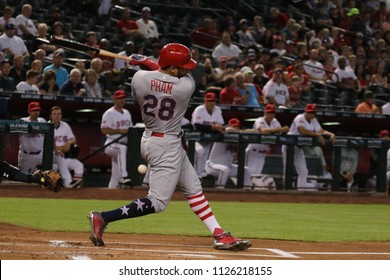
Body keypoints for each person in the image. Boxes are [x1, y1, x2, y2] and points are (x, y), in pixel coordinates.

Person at [88, 43, 251, 251]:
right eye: (182, 67)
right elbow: (166, 74)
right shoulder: (185, 87)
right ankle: (103, 217)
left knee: (194, 188)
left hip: (152, 138)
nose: (186, 70)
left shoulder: (138, 79)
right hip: (166, 145)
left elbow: (157, 74)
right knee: (157, 202)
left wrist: (144, 62)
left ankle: (219, 234)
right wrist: (147, 61)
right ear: (173, 68)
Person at [282, 103, 336, 190]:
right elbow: (302, 130)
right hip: (290, 146)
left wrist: (330, 134)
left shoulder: (313, 120)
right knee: (288, 170)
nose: (311, 114)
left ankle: (302, 190)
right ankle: (285, 190)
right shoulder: (299, 117)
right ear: (306, 112)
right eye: (309, 112)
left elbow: (321, 130)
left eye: (313, 113)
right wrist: (317, 135)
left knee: (304, 171)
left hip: (299, 148)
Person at [245, 104, 289, 187]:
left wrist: (283, 130)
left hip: (262, 154)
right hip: (253, 152)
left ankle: (251, 195)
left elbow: (280, 132)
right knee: (248, 175)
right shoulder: (259, 120)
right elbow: (263, 130)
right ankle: (243, 194)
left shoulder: (275, 121)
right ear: (265, 112)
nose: (271, 115)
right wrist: (280, 129)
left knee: (257, 176)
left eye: (272, 113)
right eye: (269, 113)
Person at [205, 118, 252, 189]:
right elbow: (228, 130)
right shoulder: (222, 132)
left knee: (246, 170)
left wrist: (241, 132)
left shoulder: (238, 137)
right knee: (224, 170)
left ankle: (243, 193)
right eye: (234, 126)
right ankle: (219, 192)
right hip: (212, 165)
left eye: (237, 126)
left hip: (228, 166)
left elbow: (254, 131)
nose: (236, 128)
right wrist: (238, 132)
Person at [100, 90, 133, 189]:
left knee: (115, 173)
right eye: (119, 98)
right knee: (121, 149)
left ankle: (111, 192)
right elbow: (104, 130)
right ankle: (124, 177)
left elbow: (130, 129)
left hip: (123, 143)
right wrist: (120, 130)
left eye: (123, 98)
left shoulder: (127, 112)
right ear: (115, 99)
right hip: (111, 143)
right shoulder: (109, 113)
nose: (122, 100)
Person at [191, 92, 225, 178]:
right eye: (209, 101)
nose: (211, 103)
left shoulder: (217, 110)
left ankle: (199, 177)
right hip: (194, 138)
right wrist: (214, 127)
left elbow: (221, 126)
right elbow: (197, 126)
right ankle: (195, 177)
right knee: (200, 152)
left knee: (204, 158)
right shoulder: (199, 109)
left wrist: (217, 128)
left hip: (207, 140)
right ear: (205, 101)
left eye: (213, 101)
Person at [49, 106, 84, 189]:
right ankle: (68, 184)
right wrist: (61, 147)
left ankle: (75, 188)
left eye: (59, 114)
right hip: (51, 161)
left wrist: (68, 142)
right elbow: (50, 146)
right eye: (54, 114)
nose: (57, 116)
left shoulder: (65, 125)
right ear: (50, 116)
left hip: (64, 157)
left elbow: (73, 139)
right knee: (59, 157)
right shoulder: (47, 126)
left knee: (79, 165)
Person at [18, 102, 46, 173]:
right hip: (27, 156)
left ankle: (66, 183)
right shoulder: (23, 120)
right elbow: (31, 129)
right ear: (29, 111)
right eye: (34, 110)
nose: (36, 112)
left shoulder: (42, 121)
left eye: (37, 110)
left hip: (40, 155)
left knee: (57, 161)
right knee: (24, 180)